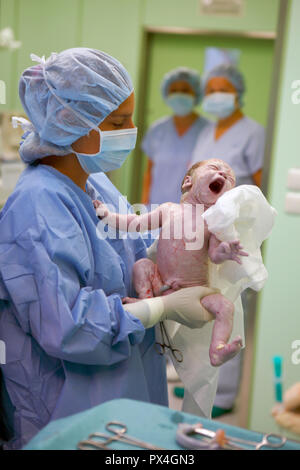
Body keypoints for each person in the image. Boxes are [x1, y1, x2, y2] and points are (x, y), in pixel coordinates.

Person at [0, 48, 217, 449]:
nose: (131, 129)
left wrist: (168, 264)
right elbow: (69, 327)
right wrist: (161, 308)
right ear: (70, 121)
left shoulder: (95, 183)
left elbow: (125, 253)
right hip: (71, 405)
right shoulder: (37, 205)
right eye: (118, 122)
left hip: (125, 385)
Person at [189, 64, 266, 417]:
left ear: (237, 91)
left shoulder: (253, 133)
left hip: (235, 234)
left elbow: (261, 187)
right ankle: (199, 374)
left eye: (224, 88)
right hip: (205, 230)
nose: (216, 95)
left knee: (231, 305)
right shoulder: (207, 131)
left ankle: (225, 392)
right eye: (212, 89)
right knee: (205, 302)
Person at [141, 67, 211, 205]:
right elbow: (149, 173)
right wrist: (143, 205)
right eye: (174, 90)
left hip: (193, 210)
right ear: (167, 94)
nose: (179, 94)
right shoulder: (157, 130)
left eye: (185, 90)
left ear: (196, 94)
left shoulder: (208, 130)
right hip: (156, 208)